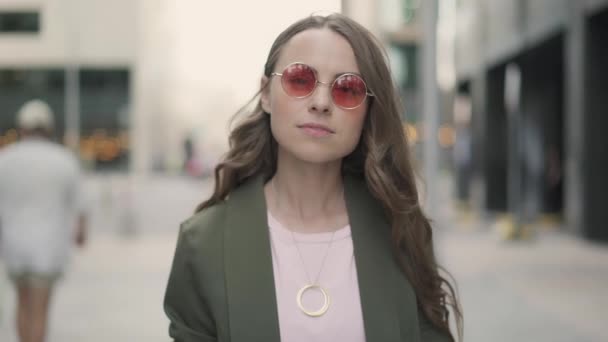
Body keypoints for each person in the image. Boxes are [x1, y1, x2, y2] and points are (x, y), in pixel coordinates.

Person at [164, 13, 462, 342]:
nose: (321, 103)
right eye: (300, 80)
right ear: (266, 93)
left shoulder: (402, 230)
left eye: (347, 89)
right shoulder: (203, 243)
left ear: (366, 113)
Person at [0, 99, 87, 342]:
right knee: (40, 309)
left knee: (21, 302)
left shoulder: (5, 159)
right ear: (48, 128)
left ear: (22, 128)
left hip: (14, 245)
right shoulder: (63, 160)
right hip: (48, 247)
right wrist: (81, 232)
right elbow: (80, 203)